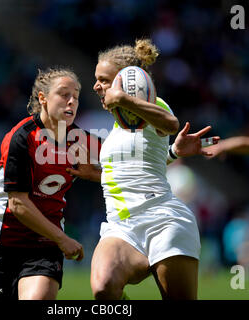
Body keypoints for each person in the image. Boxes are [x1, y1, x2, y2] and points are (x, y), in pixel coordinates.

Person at [88, 38, 205, 300]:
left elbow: (170, 123)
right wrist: (173, 152)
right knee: (103, 288)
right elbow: (146, 162)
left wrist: (125, 99)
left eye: (104, 80)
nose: (97, 85)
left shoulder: (152, 106)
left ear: (126, 82)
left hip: (163, 219)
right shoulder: (119, 124)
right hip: (121, 226)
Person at [0, 67, 101, 300]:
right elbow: (18, 204)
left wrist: (173, 151)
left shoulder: (81, 140)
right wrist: (64, 239)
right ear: (43, 98)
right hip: (1, 245)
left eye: (76, 96)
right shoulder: (21, 137)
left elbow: (127, 164)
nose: (72, 101)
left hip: (45, 246)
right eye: (64, 94)